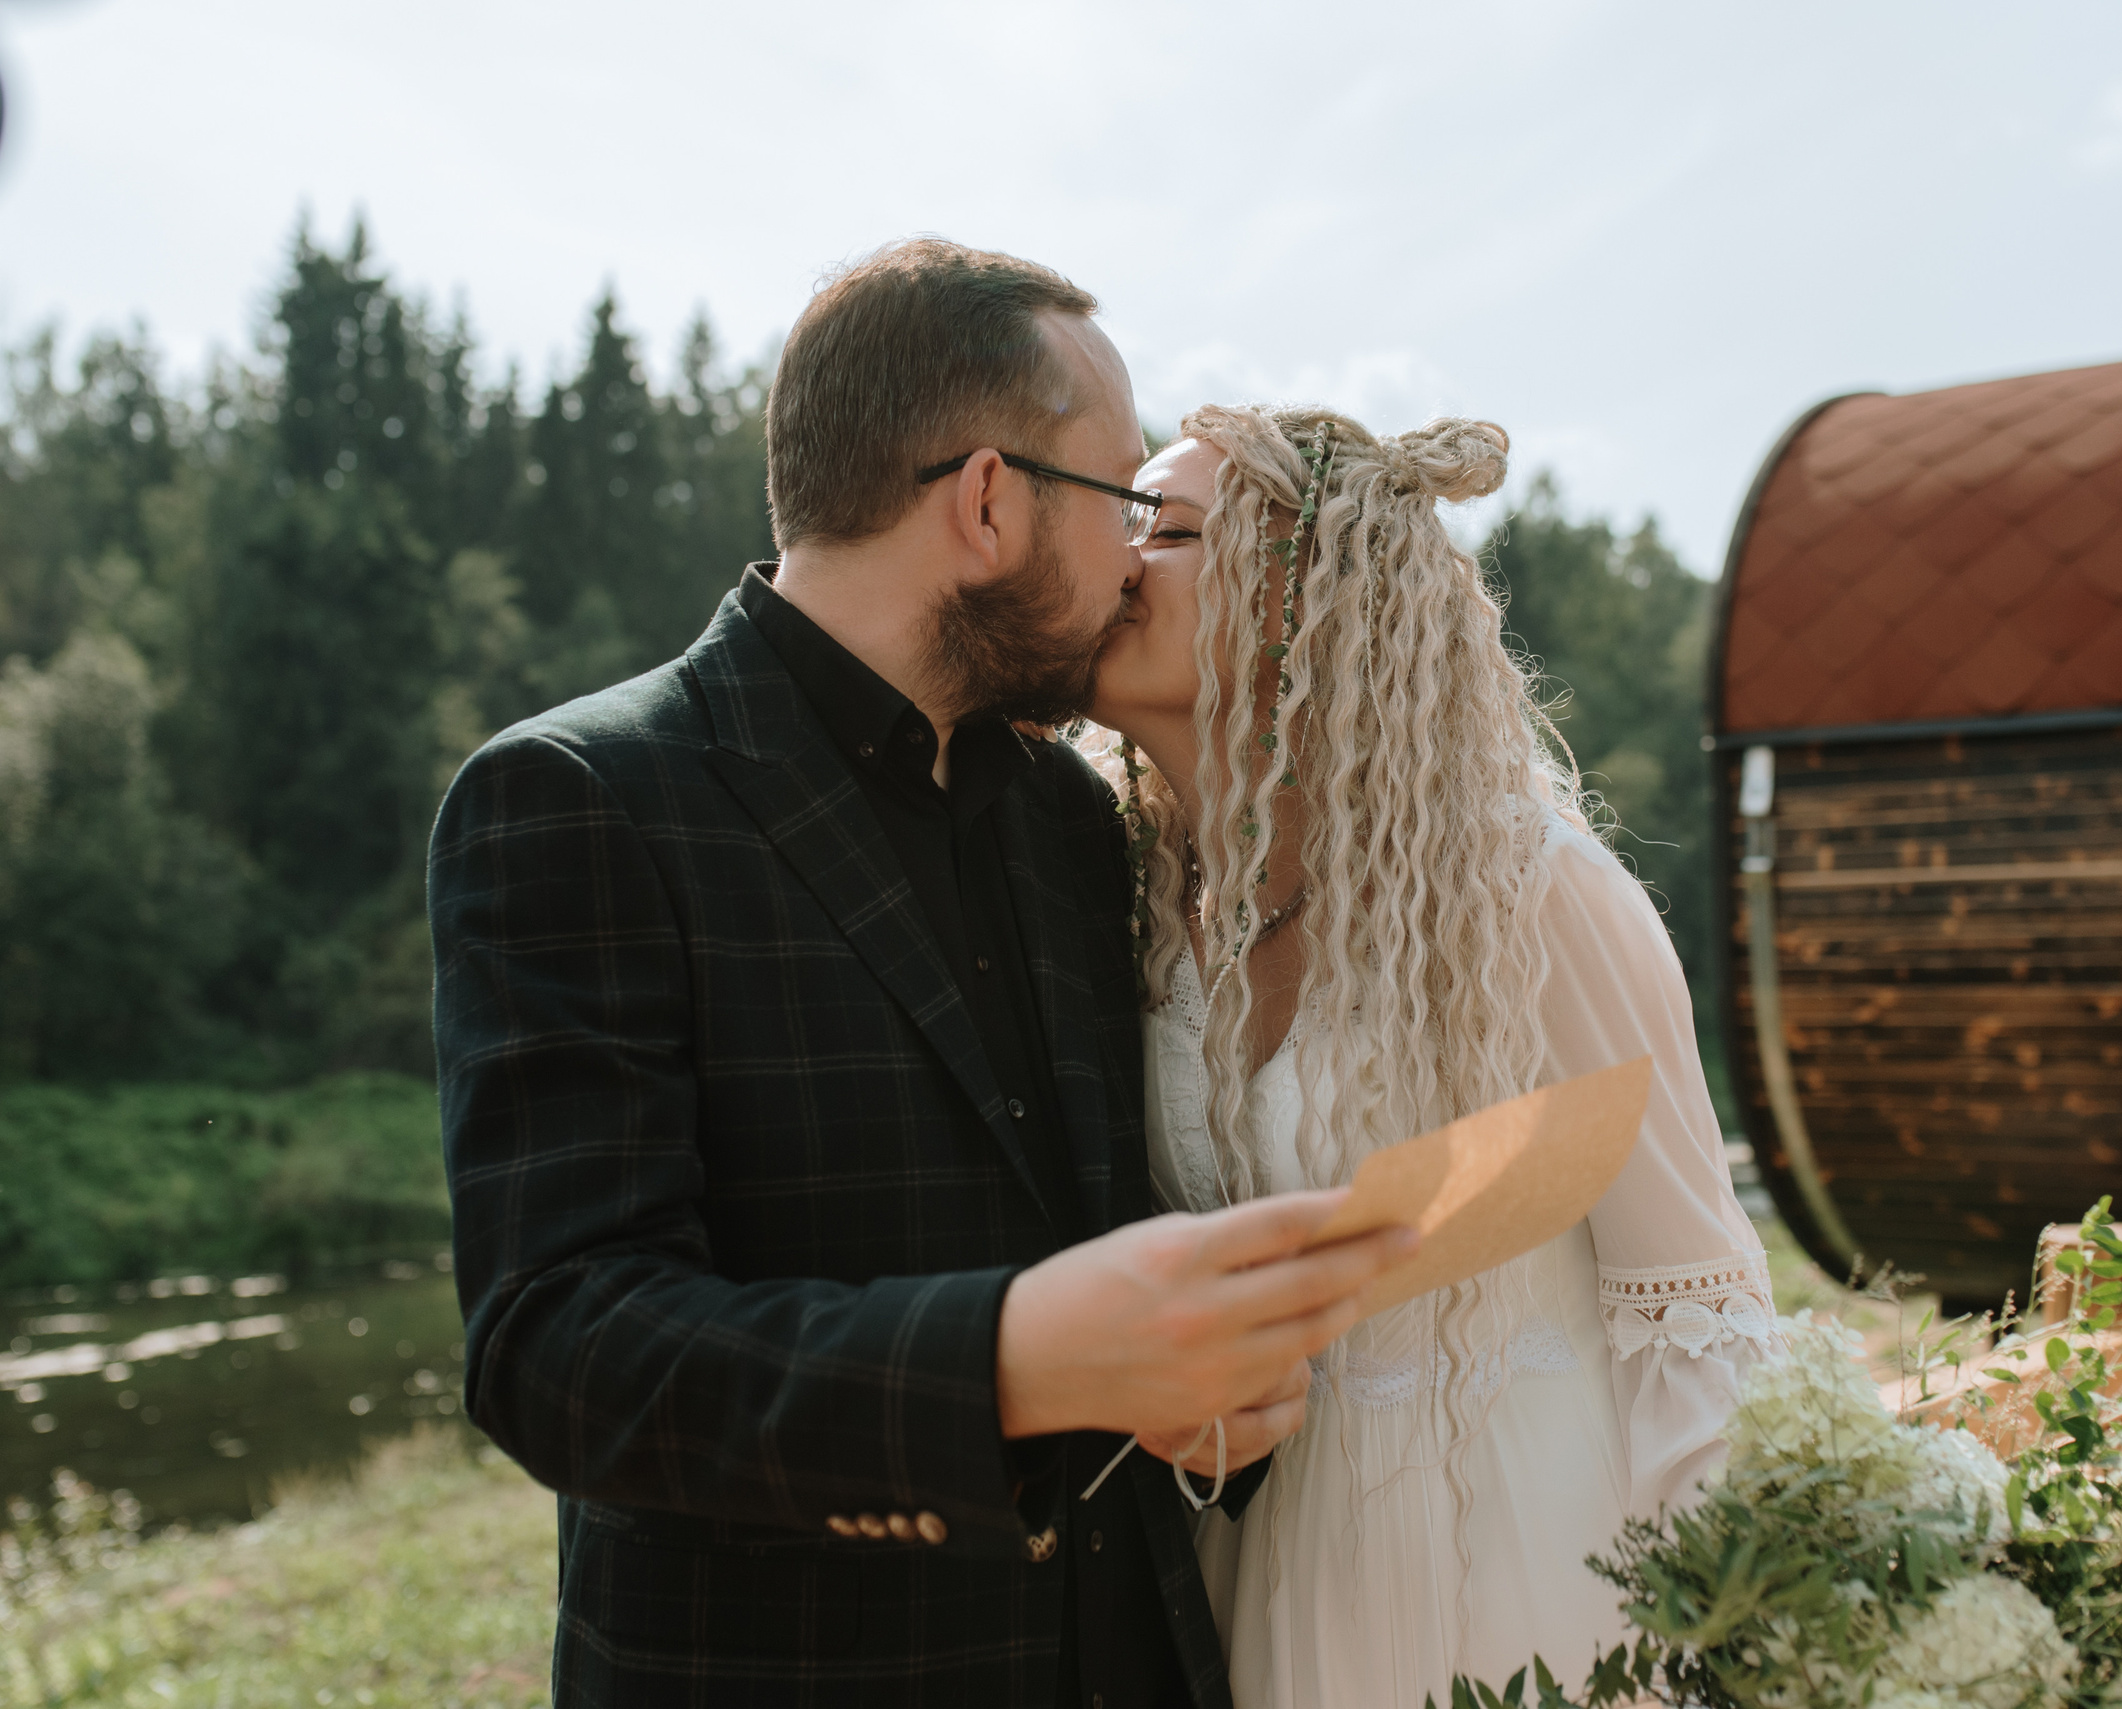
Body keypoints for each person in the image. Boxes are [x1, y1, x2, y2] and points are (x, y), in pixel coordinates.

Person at [428, 242, 1413, 1708]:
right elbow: (561, 1351)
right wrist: (1012, 1362)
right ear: (990, 502)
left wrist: (1193, 1391)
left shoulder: (1070, 814)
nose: (1134, 560)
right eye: (1122, 499)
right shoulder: (581, 797)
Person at [1082, 406, 1778, 1707]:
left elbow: (1697, 1322)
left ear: (1305, 598)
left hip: (1529, 1584)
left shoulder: (1531, 894)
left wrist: (1732, 1655)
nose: (1114, 561)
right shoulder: (1134, 913)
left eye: (1165, 530)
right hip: (1260, 1587)